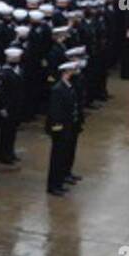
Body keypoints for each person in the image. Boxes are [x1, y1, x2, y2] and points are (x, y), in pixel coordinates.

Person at [46, 61, 81, 196]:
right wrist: (58, 129)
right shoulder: (58, 89)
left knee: (63, 156)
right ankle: (54, 185)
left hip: (68, 127)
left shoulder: (68, 87)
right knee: (57, 158)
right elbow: (55, 112)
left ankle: (59, 182)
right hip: (61, 130)